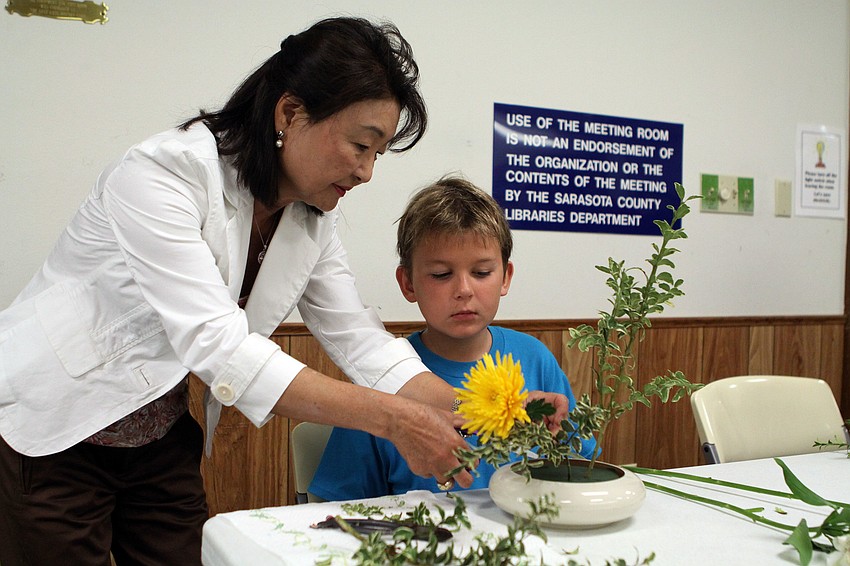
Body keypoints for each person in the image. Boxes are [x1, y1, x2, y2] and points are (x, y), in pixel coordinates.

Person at [0, 18, 569, 566]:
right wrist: (395, 421)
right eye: (360, 145)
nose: (367, 172)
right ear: (291, 113)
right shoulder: (162, 174)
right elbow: (218, 344)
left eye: (378, 153)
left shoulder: (308, 220)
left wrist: (495, 411)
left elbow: (363, 343)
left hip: (158, 435)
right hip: (53, 429)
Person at [309, 176, 597, 502]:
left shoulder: (534, 358)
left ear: (506, 276)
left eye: (482, 272)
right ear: (408, 284)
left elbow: (578, 467)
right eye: (442, 275)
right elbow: (339, 505)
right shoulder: (378, 377)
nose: (463, 290)